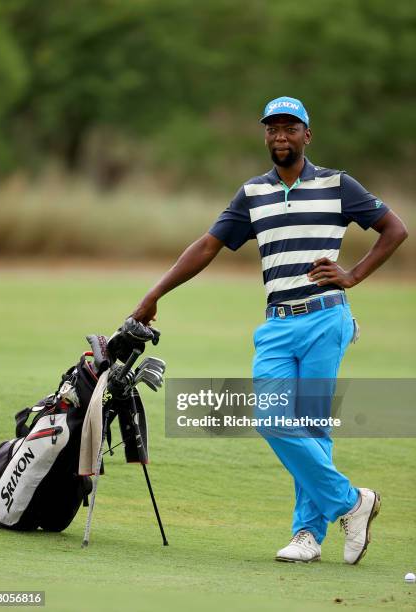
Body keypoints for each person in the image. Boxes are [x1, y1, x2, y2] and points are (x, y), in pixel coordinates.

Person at [130, 96, 408, 564]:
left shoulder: (338, 184)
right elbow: (206, 246)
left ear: (307, 135)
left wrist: (353, 275)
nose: (281, 136)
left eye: (290, 128)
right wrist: (154, 294)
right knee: (272, 418)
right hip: (277, 325)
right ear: (265, 136)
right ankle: (354, 504)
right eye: (273, 129)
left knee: (313, 427)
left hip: (325, 317)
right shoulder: (252, 194)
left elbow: (394, 229)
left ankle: (307, 535)